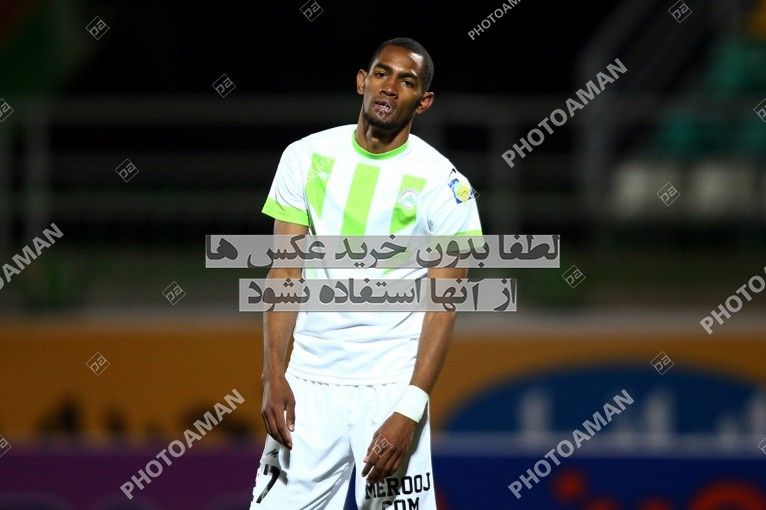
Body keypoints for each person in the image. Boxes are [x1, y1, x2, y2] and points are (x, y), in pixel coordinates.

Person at [250, 37, 482, 510]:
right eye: (381, 73)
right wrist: (274, 375)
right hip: (308, 385)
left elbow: (443, 308)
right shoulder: (305, 157)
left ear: (424, 101)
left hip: (390, 389)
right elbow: (284, 271)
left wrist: (409, 410)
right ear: (362, 81)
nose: (390, 87)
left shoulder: (445, 186)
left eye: (407, 81)